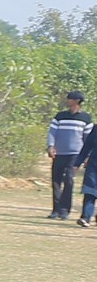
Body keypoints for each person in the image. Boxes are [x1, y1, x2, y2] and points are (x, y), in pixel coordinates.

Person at [50, 90, 92, 224]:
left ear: (77, 101)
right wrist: (51, 146)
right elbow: (52, 132)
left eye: (69, 99)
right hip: (59, 153)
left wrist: (87, 155)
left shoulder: (86, 118)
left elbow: (88, 139)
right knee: (56, 181)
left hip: (75, 154)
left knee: (69, 181)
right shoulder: (60, 116)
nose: (67, 101)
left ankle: (64, 210)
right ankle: (56, 209)